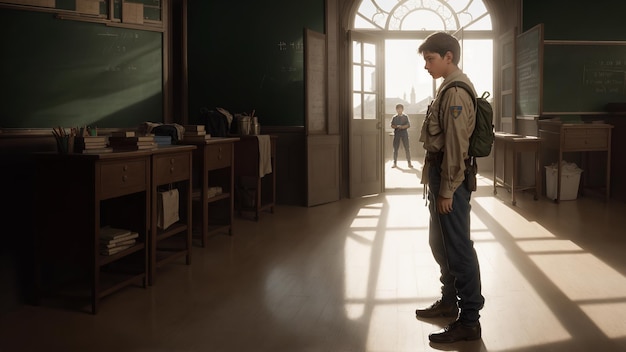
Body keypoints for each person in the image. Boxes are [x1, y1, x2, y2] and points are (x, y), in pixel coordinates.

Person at [414, 32, 485, 344]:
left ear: (449, 57)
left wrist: (446, 189)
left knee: (458, 247)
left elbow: (457, 146)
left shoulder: (455, 92)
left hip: (450, 181)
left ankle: (469, 320)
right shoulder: (447, 88)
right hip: (440, 177)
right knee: (441, 243)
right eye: (426, 59)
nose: (427, 65)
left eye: (430, 59)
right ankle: (448, 302)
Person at [390, 103, 413, 168]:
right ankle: (395, 163)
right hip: (396, 134)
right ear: (396, 110)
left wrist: (402, 127)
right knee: (395, 148)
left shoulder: (405, 117)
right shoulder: (394, 117)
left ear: (402, 109)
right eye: (398, 109)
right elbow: (392, 125)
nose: (399, 110)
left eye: (400, 109)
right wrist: (396, 126)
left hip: (404, 134)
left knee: (407, 148)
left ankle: (409, 163)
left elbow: (408, 125)